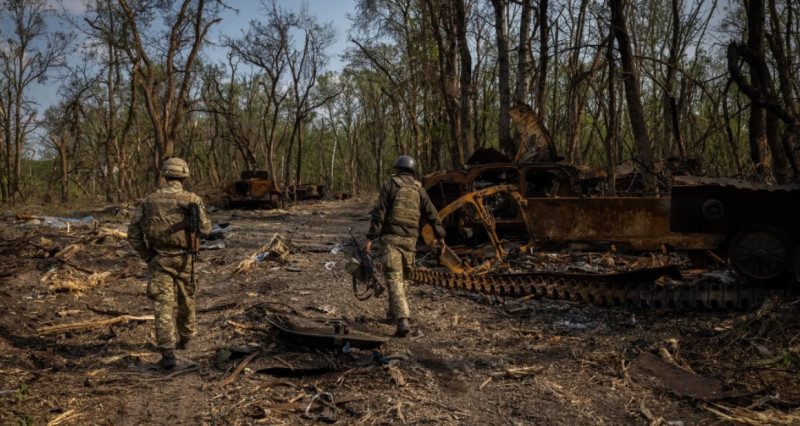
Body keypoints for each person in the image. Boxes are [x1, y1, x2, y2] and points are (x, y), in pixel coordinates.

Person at [128, 158, 211, 369]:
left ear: (164, 176)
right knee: (187, 299)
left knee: (162, 306)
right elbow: (206, 229)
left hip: (159, 259)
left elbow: (133, 233)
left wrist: (146, 255)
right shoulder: (193, 199)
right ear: (184, 176)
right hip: (185, 260)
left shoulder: (149, 201)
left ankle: (167, 353)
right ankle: (186, 337)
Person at [365, 155, 446, 337]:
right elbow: (433, 215)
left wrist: (370, 238)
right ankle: (394, 314)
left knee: (394, 279)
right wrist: (440, 236)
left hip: (391, 240)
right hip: (410, 241)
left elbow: (379, 214)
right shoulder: (420, 190)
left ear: (397, 169)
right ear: (413, 170)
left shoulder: (390, 185)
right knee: (403, 279)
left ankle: (402, 321)